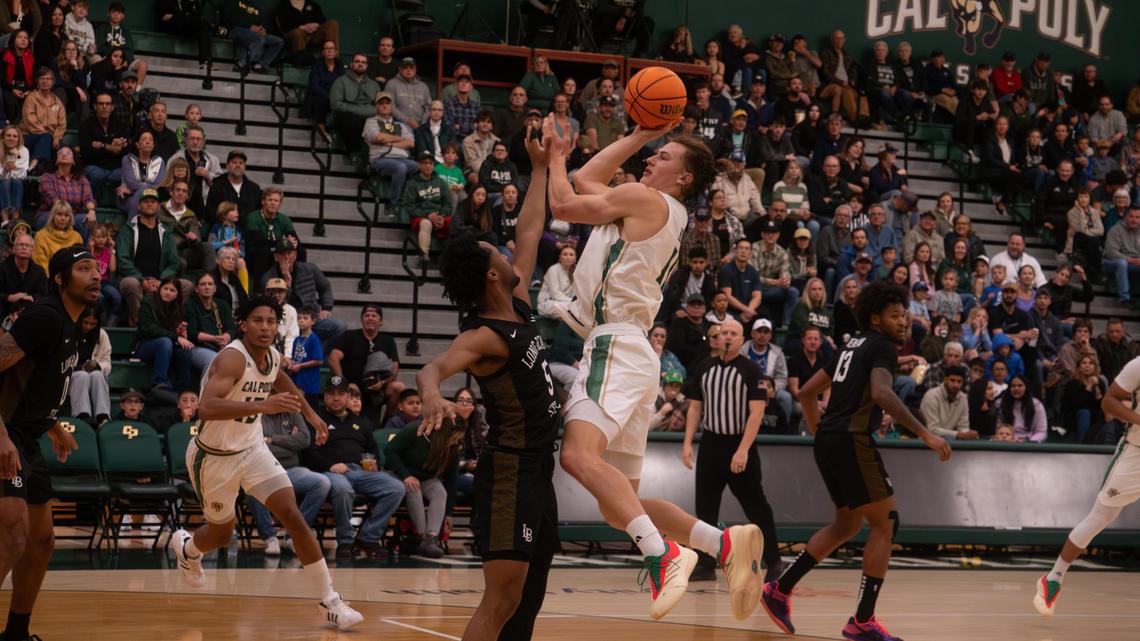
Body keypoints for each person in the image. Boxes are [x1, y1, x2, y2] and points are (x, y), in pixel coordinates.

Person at [543, 110, 764, 621]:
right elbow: (588, 180)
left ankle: (663, 555)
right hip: (633, 349)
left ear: (684, 177)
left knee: (577, 457)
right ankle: (723, 544)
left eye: (661, 156)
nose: (649, 159)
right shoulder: (661, 209)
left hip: (615, 346)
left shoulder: (646, 200)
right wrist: (642, 133)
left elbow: (566, 197)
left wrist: (555, 158)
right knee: (621, 500)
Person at [763, 281, 951, 639]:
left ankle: (779, 589)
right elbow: (881, 393)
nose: (902, 321)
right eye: (895, 316)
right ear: (875, 317)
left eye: (904, 315)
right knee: (886, 523)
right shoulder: (881, 347)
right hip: (851, 440)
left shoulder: (851, 344)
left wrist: (821, 432)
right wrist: (925, 433)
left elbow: (806, 393)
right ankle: (862, 621)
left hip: (830, 441)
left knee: (847, 525)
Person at [170, 295, 362, 629]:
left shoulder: (272, 357)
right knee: (220, 535)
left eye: (271, 321)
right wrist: (262, 407)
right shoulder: (231, 359)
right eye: (258, 320)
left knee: (293, 516)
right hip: (213, 457)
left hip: (252, 449)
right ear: (242, 324)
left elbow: (287, 388)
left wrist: (314, 417)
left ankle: (330, 601)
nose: (265, 327)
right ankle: (188, 549)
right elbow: (207, 408)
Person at [0, 246, 99, 641]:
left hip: (26, 433)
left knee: (41, 541)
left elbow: (34, 380)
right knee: (12, 533)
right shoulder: (43, 316)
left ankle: (16, 634)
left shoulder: (70, 326)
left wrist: (52, 422)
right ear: (60, 279)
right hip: (5, 433)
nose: (94, 275)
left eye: (96, 267)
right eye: (82, 268)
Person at [1035, 352, 1140, 615]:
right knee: (1100, 518)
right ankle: (1053, 578)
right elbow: (1109, 402)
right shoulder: (1138, 366)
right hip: (1136, 451)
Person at [681, 318, 782, 580]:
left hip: (739, 443)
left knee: (756, 506)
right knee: (705, 508)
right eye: (723, 332)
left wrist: (743, 450)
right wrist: (687, 443)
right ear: (715, 338)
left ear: (741, 339)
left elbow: (756, 413)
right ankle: (705, 564)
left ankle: (774, 561)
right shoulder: (704, 369)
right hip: (711, 444)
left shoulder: (751, 371)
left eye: (733, 333)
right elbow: (694, 407)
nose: (727, 337)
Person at [241, 408, 330, 556]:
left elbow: (304, 440)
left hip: (291, 469)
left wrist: (271, 439)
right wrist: (289, 441)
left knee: (322, 483)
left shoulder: (293, 413)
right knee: (251, 487)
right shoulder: (254, 414)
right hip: (263, 471)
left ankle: (294, 536)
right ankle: (270, 537)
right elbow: (253, 447)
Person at [384, 415, 463, 559]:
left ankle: (431, 538)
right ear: (443, 433)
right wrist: (405, 475)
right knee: (414, 489)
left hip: (426, 477)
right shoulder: (416, 429)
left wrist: (450, 513)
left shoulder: (453, 448)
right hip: (400, 473)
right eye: (454, 437)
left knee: (440, 492)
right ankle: (422, 536)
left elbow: (452, 480)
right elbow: (390, 451)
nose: (456, 441)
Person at [364, 91, 417, 204]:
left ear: (391, 106)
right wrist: (399, 138)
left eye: (387, 103)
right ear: (377, 106)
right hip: (381, 158)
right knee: (400, 167)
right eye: (381, 103)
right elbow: (379, 137)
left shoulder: (401, 125)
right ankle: (394, 203)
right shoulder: (371, 122)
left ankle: (412, 202)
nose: (384, 105)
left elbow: (411, 143)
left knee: (419, 167)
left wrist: (390, 142)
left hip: (403, 158)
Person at [221, 0, 282, 74]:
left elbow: (259, 22)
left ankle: (261, 65)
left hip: (253, 32)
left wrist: (262, 29)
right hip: (235, 30)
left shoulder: (255, 7)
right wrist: (250, 27)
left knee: (278, 42)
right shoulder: (233, 1)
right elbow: (230, 17)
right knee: (259, 39)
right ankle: (241, 64)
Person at [32, 200, 82, 273]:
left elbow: (79, 262)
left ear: (70, 218)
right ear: (52, 216)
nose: (63, 218)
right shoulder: (40, 236)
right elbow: (41, 264)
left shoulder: (77, 237)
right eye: (59, 214)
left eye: (66, 215)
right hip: (49, 280)